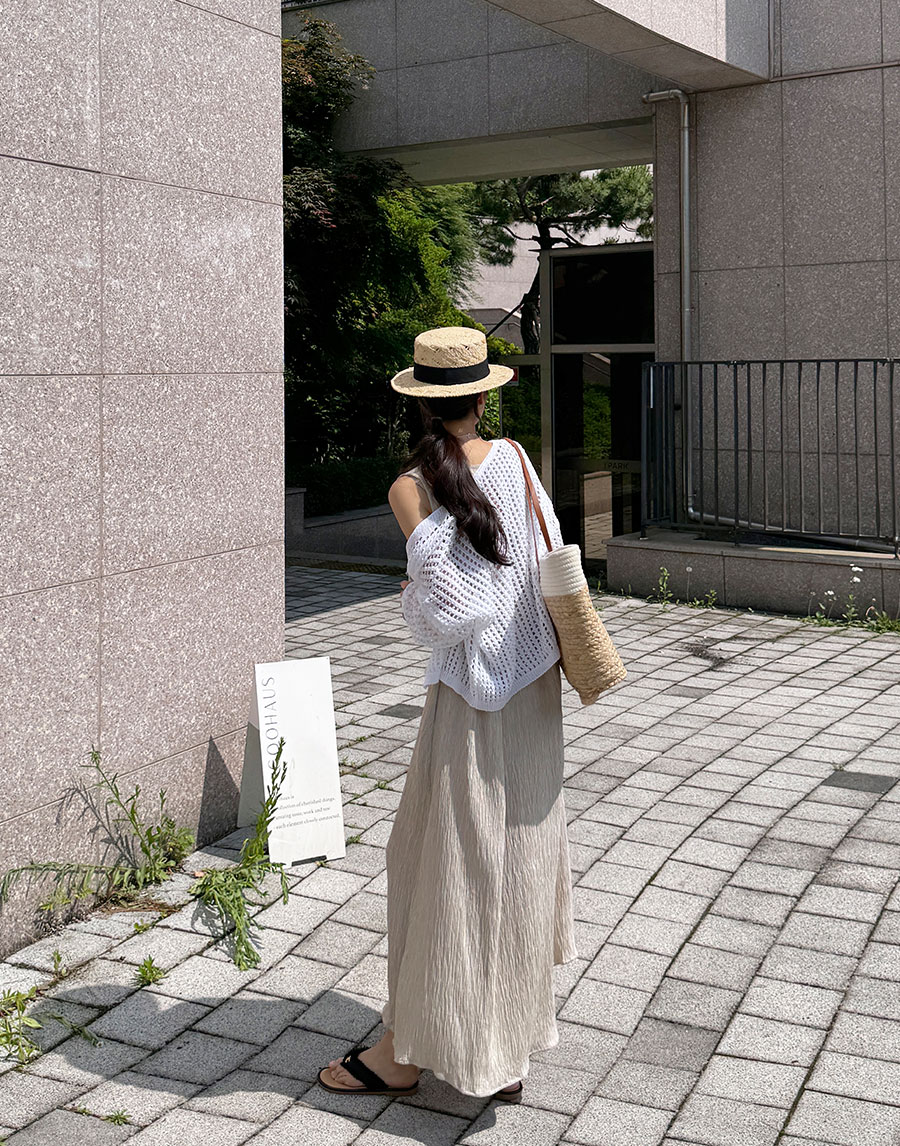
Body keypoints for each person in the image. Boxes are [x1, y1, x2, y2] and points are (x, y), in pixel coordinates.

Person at [318, 326, 578, 1101]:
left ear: (420, 403)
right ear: (483, 397)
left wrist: (410, 602)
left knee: (443, 862)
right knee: (519, 855)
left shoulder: (411, 486)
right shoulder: (518, 461)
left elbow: (454, 610)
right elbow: (545, 560)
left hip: (470, 698)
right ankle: (502, 1046)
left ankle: (404, 1054)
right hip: (535, 691)